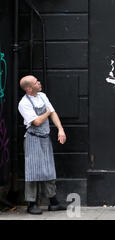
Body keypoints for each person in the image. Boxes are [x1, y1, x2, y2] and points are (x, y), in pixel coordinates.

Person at [18, 75, 67, 215]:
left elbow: (53, 113)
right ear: (29, 88)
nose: (39, 83)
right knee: (32, 172)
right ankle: (31, 203)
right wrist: (46, 112)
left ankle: (53, 202)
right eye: (36, 82)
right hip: (32, 139)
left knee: (49, 170)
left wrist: (60, 129)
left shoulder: (42, 96)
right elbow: (37, 122)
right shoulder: (23, 103)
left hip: (45, 138)